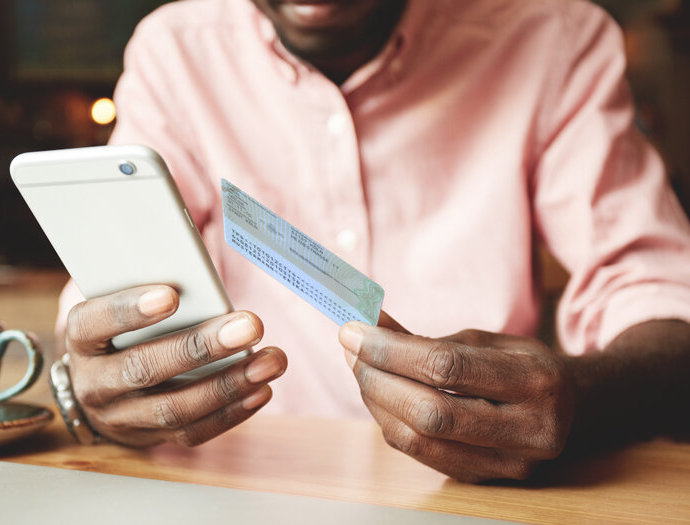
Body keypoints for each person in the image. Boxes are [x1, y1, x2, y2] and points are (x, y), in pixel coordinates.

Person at [54, 0, 690, 482]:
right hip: (242, 490)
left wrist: (587, 399)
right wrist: (100, 383)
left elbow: (658, 291)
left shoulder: (553, 39)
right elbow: (115, 298)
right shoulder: (177, 52)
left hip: (481, 500)